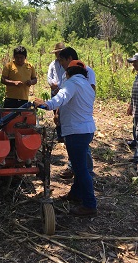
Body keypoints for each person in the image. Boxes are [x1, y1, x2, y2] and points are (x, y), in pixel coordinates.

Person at [34, 60, 97, 217]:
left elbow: (60, 98)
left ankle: (90, 204)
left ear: (68, 73)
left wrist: (45, 104)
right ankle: (76, 194)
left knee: (81, 169)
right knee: (78, 165)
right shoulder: (87, 86)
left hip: (76, 131)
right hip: (86, 129)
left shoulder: (72, 83)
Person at [57, 47, 96, 179]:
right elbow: (62, 95)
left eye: (61, 60)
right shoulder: (65, 74)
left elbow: (90, 92)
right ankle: (74, 167)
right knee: (72, 144)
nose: (60, 63)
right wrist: (58, 112)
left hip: (79, 117)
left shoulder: (86, 70)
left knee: (82, 146)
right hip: (69, 117)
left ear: (69, 59)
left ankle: (87, 172)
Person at [47, 42, 66, 142]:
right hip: (55, 92)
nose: (57, 55)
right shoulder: (52, 64)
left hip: (65, 91)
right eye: (56, 53)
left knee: (65, 113)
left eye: (59, 52)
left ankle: (66, 134)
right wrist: (54, 86)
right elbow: (49, 78)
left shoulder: (67, 63)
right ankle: (60, 136)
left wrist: (62, 88)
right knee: (56, 114)